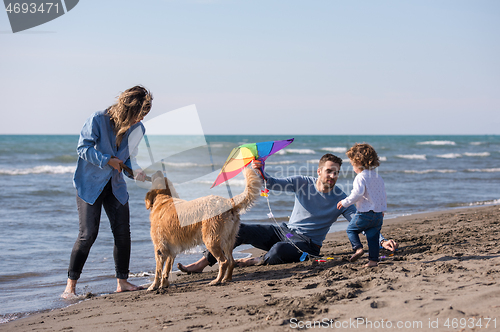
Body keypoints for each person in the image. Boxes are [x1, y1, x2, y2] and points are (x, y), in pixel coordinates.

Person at [178, 153, 398, 274]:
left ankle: (255, 262)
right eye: (329, 171)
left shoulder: (341, 199)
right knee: (239, 230)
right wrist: (260, 169)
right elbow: (271, 183)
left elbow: (360, 221)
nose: (333, 176)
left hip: (308, 244)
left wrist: (382, 240)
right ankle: (203, 263)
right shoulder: (302, 182)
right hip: (286, 231)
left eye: (337, 173)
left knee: (278, 251)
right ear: (319, 171)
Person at [62, 85, 152, 299]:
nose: (140, 120)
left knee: (123, 234)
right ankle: (70, 288)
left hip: (116, 186)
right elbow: (82, 148)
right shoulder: (97, 119)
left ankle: (122, 282)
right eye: (138, 115)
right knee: (87, 235)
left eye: (144, 116)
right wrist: (107, 160)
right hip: (90, 184)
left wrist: (135, 171)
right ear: (127, 108)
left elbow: (129, 157)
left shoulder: (138, 130)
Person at [337, 143, 387, 267]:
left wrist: (344, 202)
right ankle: (373, 261)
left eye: (352, 163)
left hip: (364, 214)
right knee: (373, 238)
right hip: (378, 215)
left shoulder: (360, 177)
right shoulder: (377, 177)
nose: (352, 166)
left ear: (358, 162)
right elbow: (383, 195)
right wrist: (382, 209)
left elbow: (357, 194)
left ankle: (358, 248)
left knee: (351, 230)